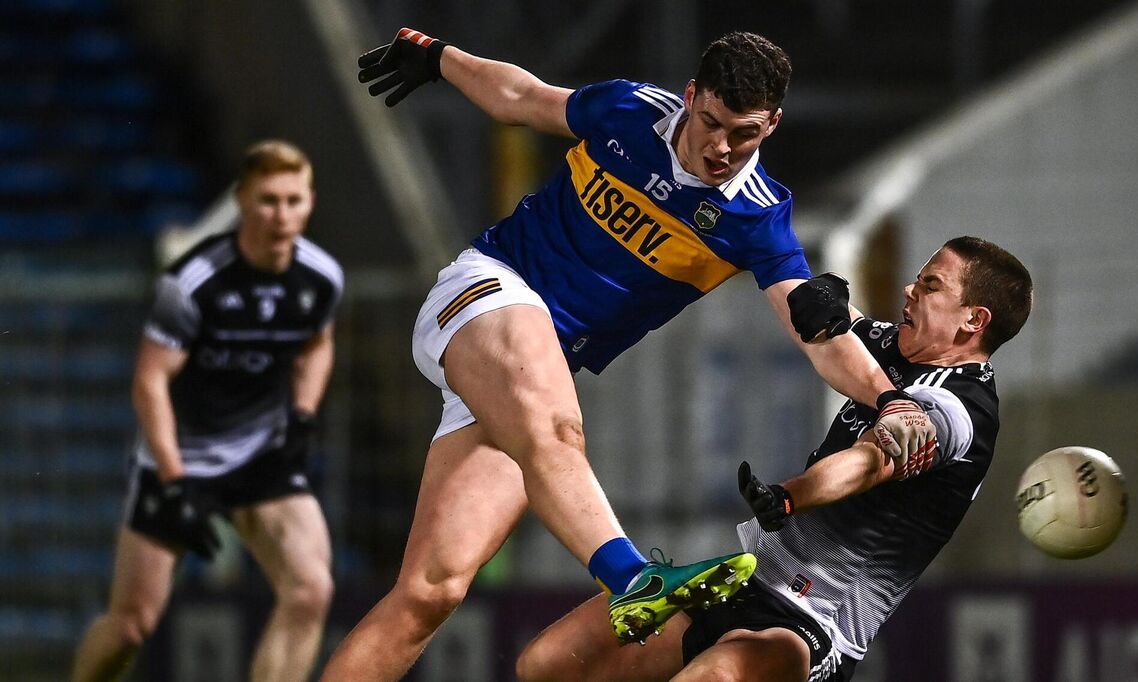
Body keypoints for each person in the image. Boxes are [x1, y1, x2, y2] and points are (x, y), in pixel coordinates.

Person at [322, 29, 937, 680]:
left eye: (745, 134)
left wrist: (890, 400)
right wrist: (438, 56)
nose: (722, 147)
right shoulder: (630, 111)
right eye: (711, 123)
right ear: (691, 96)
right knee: (558, 431)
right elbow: (521, 97)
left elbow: (817, 335)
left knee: (430, 593)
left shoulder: (759, 218)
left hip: (528, 369)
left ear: (773, 124)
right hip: (486, 291)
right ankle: (635, 578)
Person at [514, 236, 1034, 681]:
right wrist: (821, 291)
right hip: (739, 581)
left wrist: (791, 496)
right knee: (547, 664)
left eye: (931, 286)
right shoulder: (896, 350)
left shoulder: (958, 411)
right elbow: (834, 321)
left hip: (811, 626)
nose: (909, 290)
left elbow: (869, 463)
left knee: (711, 677)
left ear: (974, 320)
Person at [72, 140, 343, 682]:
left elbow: (318, 343)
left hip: (261, 453)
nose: (281, 215)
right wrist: (174, 479)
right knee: (131, 625)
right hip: (180, 459)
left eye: (294, 200)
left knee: (310, 591)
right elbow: (151, 379)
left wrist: (304, 413)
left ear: (310, 202)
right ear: (242, 200)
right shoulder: (194, 281)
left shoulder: (320, 277)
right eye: (268, 200)